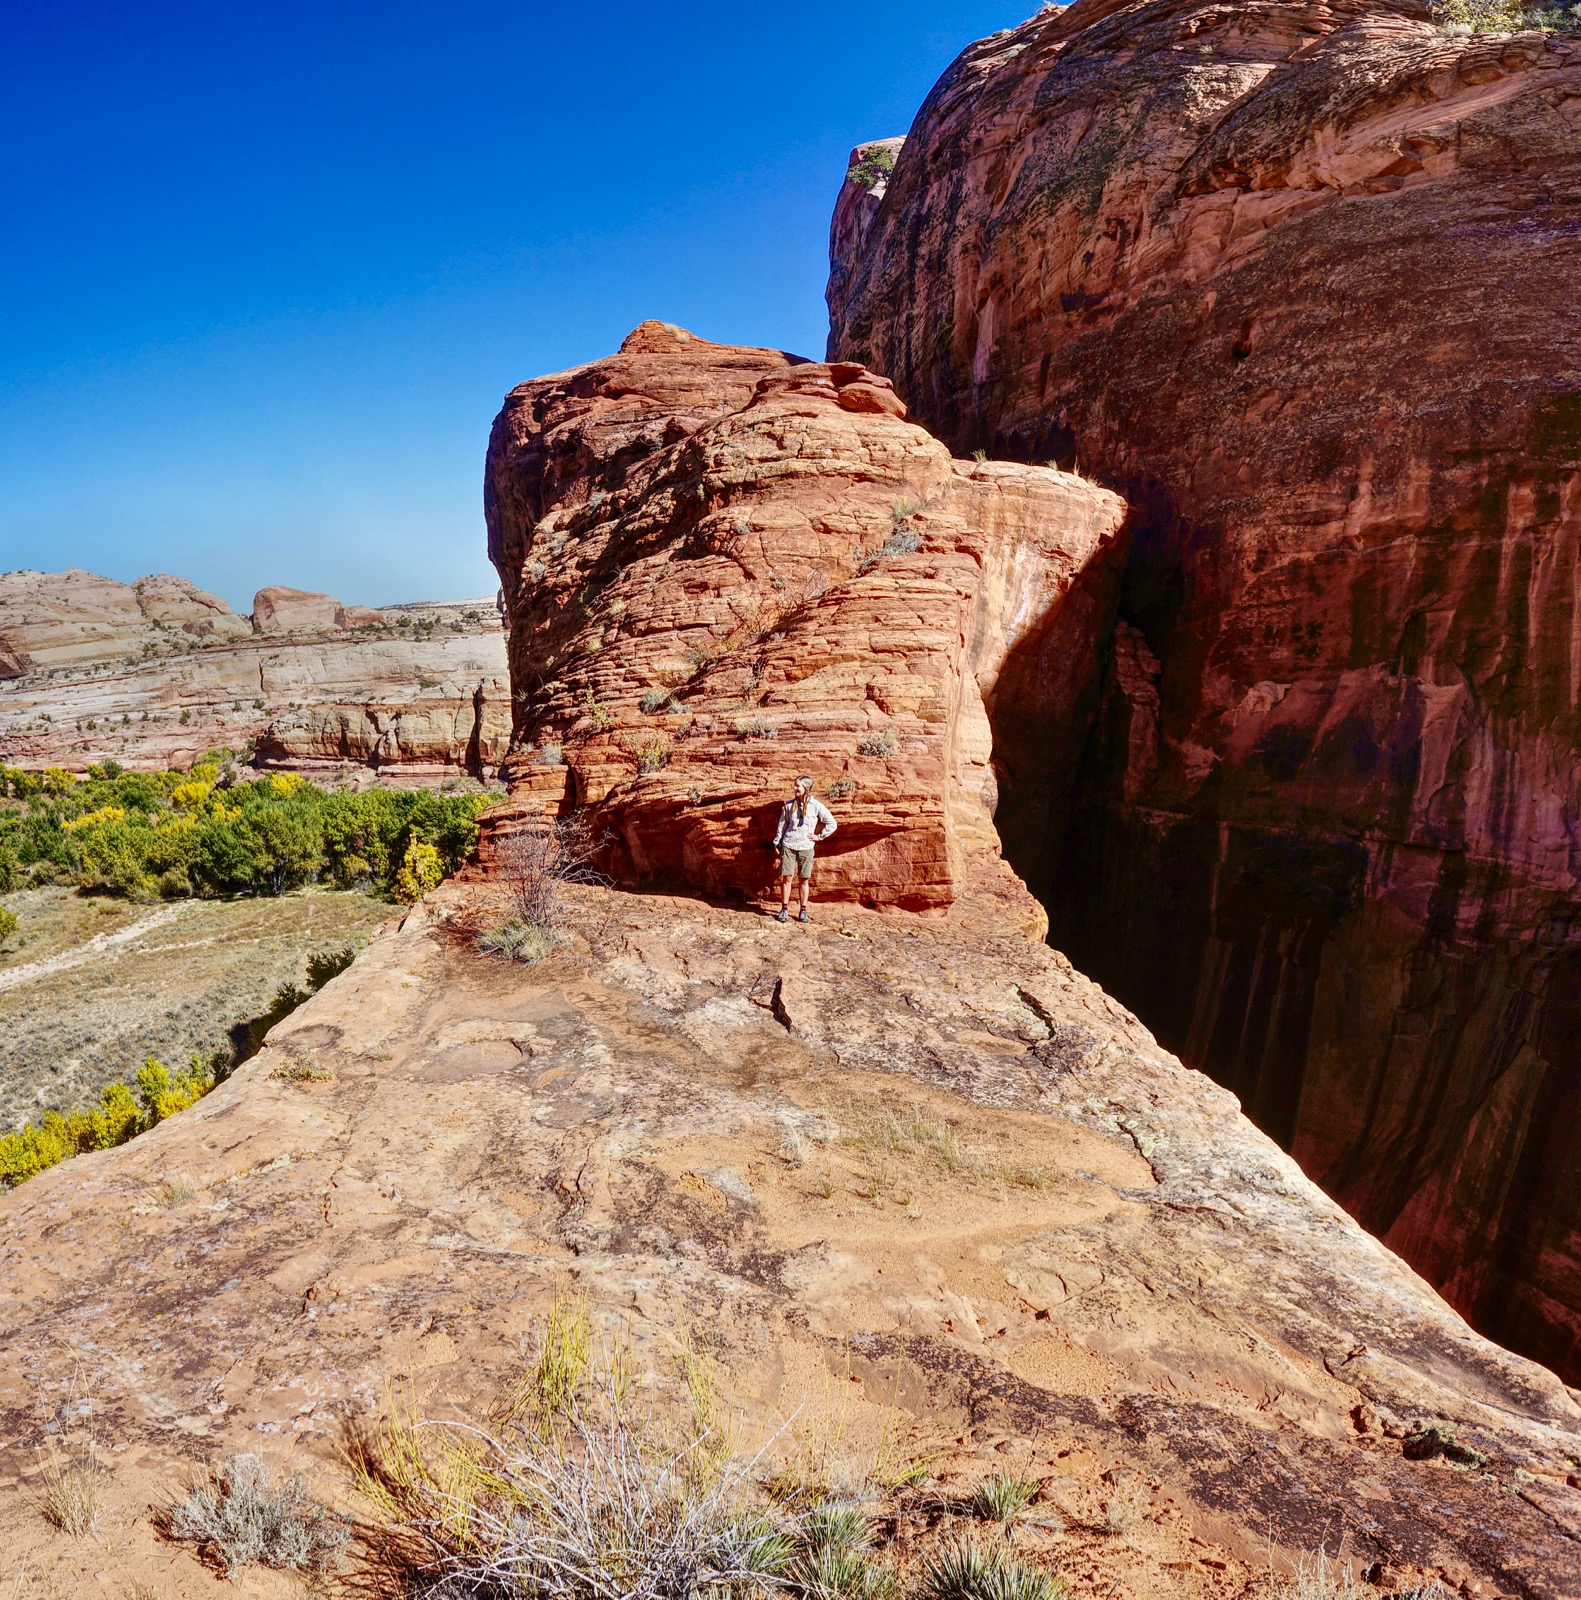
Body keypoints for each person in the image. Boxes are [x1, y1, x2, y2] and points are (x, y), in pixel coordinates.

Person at [770, 774, 837, 923]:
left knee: (804, 880)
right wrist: (777, 842)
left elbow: (832, 823)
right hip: (789, 845)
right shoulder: (789, 806)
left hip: (806, 847)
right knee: (786, 878)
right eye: (795, 785)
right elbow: (782, 825)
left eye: (797, 786)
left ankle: (803, 910)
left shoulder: (817, 806)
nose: (794, 788)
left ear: (806, 788)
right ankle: (784, 909)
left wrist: (819, 837)